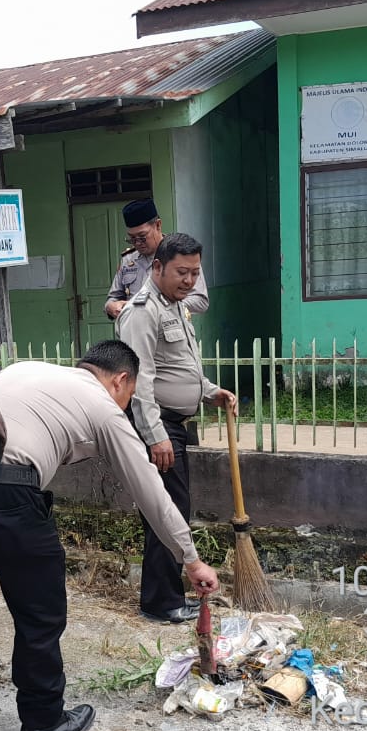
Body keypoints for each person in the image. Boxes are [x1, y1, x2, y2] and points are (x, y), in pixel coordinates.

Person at [0, 341, 221, 731]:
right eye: (129, 397)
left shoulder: (26, 367)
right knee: (39, 611)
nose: (126, 405)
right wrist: (191, 559)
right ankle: (42, 721)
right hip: (4, 491)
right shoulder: (103, 406)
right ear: (121, 380)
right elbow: (150, 488)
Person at [116, 233, 236, 623]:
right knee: (166, 511)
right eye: (181, 272)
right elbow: (141, 380)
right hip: (159, 426)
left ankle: (167, 595)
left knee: (173, 509)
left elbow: (181, 368)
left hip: (175, 424)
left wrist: (210, 391)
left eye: (195, 273)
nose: (189, 280)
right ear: (157, 267)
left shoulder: (175, 307)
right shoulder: (142, 311)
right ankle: (160, 601)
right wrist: (156, 436)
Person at [104, 198, 208, 322]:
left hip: (170, 332)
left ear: (158, 225)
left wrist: (158, 307)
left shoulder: (181, 255)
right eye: (132, 238)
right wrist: (110, 307)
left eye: (142, 237)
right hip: (133, 332)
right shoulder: (128, 260)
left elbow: (200, 300)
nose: (137, 243)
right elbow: (113, 298)